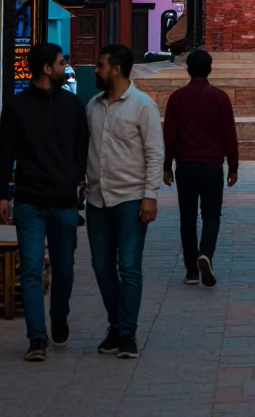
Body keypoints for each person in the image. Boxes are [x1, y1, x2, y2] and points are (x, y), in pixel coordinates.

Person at [0, 42, 89, 362]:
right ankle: (37, 337)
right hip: (29, 201)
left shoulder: (73, 106)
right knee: (32, 270)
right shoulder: (17, 107)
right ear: (47, 68)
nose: (66, 67)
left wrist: (77, 180)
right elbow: (6, 152)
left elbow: (82, 149)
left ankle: (59, 315)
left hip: (64, 202)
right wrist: (1, 195)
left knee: (64, 269)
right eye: (62, 63)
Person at [86, 43, 164, 359]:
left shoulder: (143, 106)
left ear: (116, 70)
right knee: (101, 266)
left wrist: (151, 195)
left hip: (131, 198)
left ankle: (127, 332)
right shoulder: (91, 105)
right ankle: (116, 325)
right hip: (96, 199)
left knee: (129, 266)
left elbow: (155, 152)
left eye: (100, 65)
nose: (96, 70)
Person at [163, 49, 239, 287]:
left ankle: (191, 271)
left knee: (187, 218)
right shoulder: (220, 98)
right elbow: (230, 135)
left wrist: (167, 165)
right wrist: (234, 167)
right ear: (210, 69)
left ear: (188, 69)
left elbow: (169, 136)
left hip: (185, 166)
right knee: (211, 215)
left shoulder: (176, 98)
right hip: (212, 166)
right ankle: (205, 253)